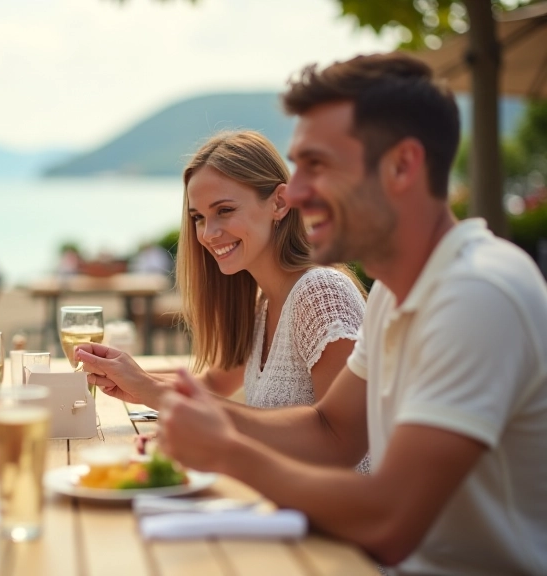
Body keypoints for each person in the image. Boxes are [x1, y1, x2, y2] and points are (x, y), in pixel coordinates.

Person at [154, 53, 547, 573]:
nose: (293, 192)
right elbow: (332, 433)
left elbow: (388, 520)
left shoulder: (478, 293)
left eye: (319, 165)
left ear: (403, 166)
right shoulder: (392, 293)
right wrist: (201, 419)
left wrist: (225, 450)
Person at [77, 131, 368, 471]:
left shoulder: (320, 294)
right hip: (284, 504)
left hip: (336, 516)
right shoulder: (264, 303)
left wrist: (155, 391)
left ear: (279, 203)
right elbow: (215, 383)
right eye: (198, 217)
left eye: (225, 210)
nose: (207, 233)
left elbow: (338, 443)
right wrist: (134, 381)